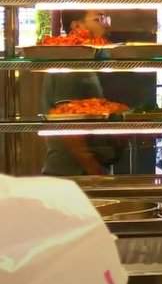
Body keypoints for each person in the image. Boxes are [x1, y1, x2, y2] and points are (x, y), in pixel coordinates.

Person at [42, 10, 124, 176]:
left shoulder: (86, 61)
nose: (106, 24)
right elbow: (68, 124)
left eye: (106, 17)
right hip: (72, 174)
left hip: (80, 171)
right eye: (98, 19)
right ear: (77, 26)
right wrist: (94, 171)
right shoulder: (71, 63)